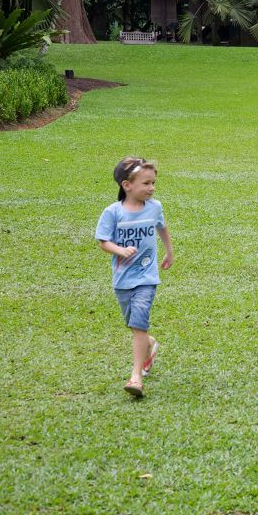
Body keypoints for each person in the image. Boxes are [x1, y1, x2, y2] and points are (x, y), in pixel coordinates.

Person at [95, 157, 174, 397]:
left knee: (139, 325)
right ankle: (150, 344)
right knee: (134, 325)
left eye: (153, 183)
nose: (151, 188)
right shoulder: (113, 212)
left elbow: (162, 227)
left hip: (147, 277)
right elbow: (103, 241)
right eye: (146, 183)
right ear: (126, 185)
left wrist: (169, 251)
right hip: (122, 279)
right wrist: (120, 250)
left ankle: (136, 377)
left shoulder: (155, 207)